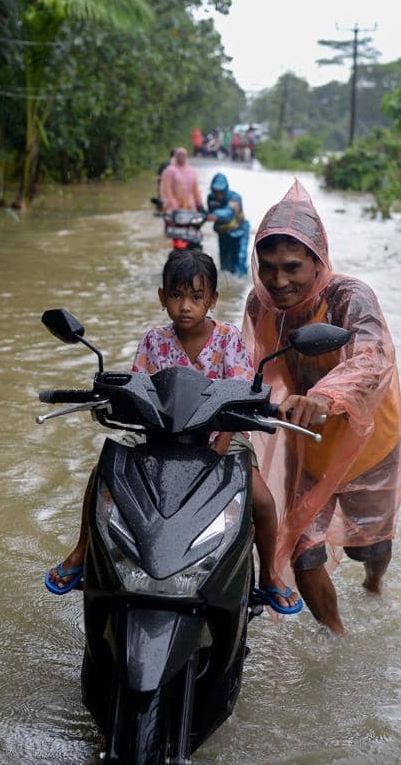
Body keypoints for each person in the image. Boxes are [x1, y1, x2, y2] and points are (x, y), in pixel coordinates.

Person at [45, 250, 303, 612]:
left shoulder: (228, 339)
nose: (186, 306)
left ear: (212, 300)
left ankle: (270, 575)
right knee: (102, 473)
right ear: (162, 298)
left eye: (196, 297)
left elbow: (240, 398)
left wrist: (221, 443)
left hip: (219, 439)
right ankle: (81, 552)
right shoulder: (153, 340)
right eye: (177, 296)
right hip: (156, 437)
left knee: (261, 499)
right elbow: (138, 390)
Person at [242, 179, 401, 634]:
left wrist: (323, 397)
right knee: (302, 547)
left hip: (369, 445)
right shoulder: (262, 307)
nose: (279, 281)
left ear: (319, 262)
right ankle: (336, 638)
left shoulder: (350, 298)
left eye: (292, 267)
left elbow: (373, 359)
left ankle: (375, 586)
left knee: (371, 547)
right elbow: (245, 366)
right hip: (309, 443)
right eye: (268, 266)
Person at [205, 173, 250, 278]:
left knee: (240, 260)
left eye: (221, 192)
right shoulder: (211, 198)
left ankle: (241, 286)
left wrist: (215, 215)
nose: (218, 195)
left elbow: (229, 213)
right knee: (225, 267)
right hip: (223, 234)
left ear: (226, 189)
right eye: (216, 192)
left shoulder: (235, 197)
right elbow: (208, 212)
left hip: (240, 233)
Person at [159, 147, 203, 212]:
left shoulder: (191, 171)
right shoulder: (170, 170)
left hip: (189, 205)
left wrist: (200, 204)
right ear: (175, 156)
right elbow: (166, 189)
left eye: (183, 155)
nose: (181, 157)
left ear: (186, 157)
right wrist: (172, 204)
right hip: (172, 206)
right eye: (179, 155)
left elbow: (195, 190)